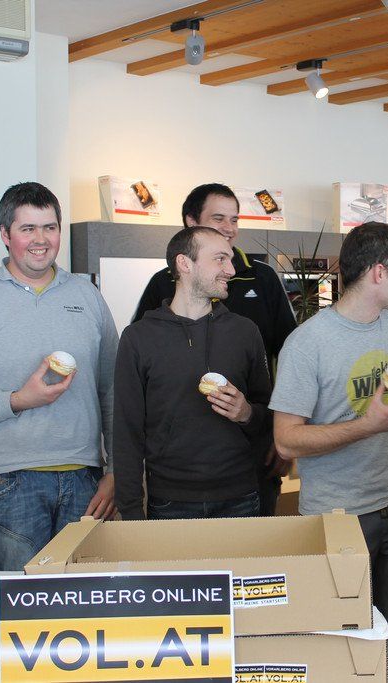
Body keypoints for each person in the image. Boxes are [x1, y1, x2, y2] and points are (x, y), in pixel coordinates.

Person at [270, 222, 388, 682]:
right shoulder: (307, 343)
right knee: (343, 641)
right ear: (379, 272)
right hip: (337, 518)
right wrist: (366, 425)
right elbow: (286, 439)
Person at [0, 181, 117, 571]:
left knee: (85, 598)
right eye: (27, 228)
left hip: (85, 478)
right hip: (8, 483)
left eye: (49, 227)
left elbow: (113, 392)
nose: (40, 240)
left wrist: (116, 471)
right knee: (22, 601)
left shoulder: (87, 298)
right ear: (5, 234)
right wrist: (18, 400)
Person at [133, 183, 295, 515]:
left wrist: (283, 435)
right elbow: (138, 377)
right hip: (179, 477)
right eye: (218, 218)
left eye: (234, 219)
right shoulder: (162, 283)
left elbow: (292, 359)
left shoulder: (263, 278)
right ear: (191, 223)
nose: (229, 228)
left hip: (256, 455)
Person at [113, 226, 272, 520]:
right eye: (220, 259)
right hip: (169, 501)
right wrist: (131, 510)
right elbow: (127, 432)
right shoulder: (138, 338)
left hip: (241, 495)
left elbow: (268, 416)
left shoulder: (245, 332)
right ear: (185, 263)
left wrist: (246, 413)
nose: (231, 270)